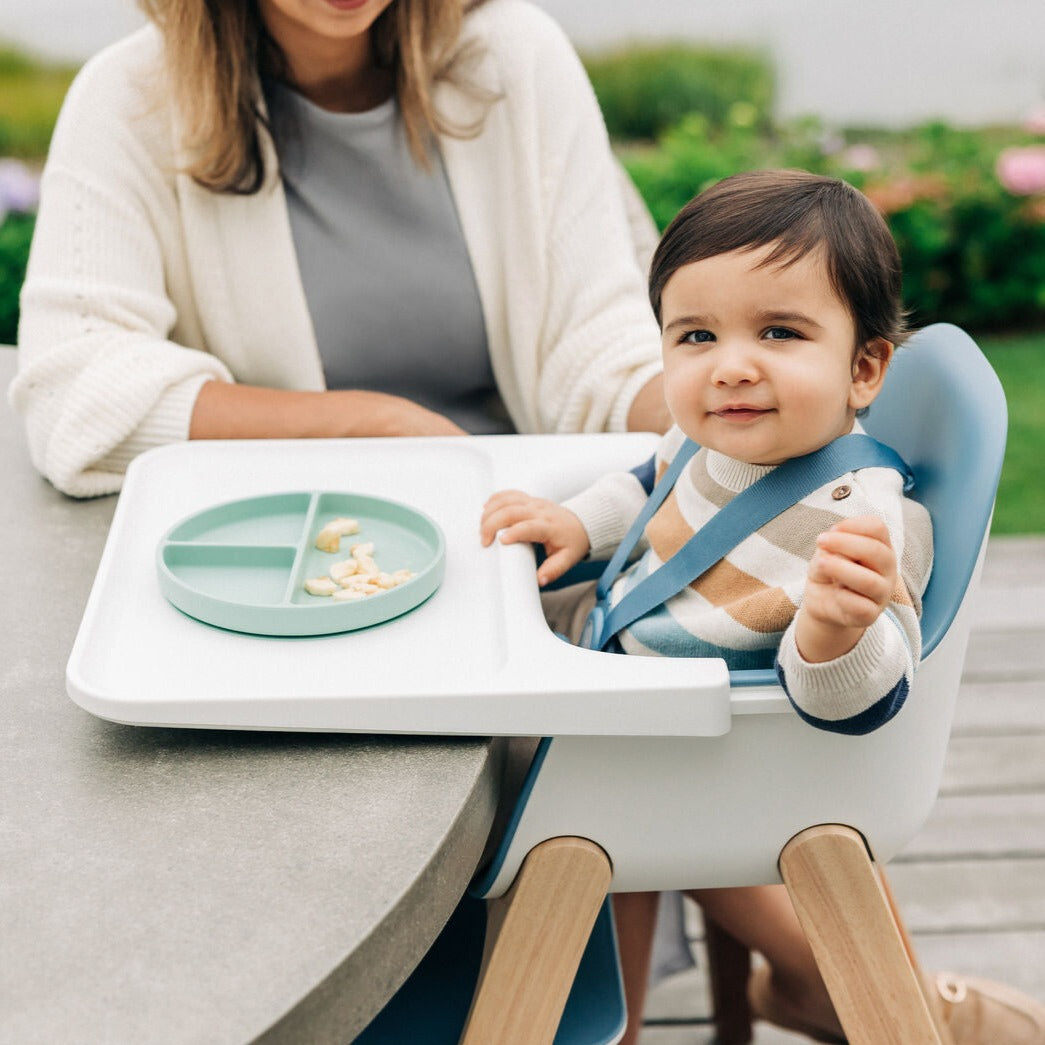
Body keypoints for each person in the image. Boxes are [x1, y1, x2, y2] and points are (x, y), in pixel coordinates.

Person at [481, 170, 1045, 1044]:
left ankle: (596, 1018)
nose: (730, 365)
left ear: (863, 368)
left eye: (778, 332)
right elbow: (649, 486)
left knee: (503, 799)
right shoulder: (706, 439)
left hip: (716, 767)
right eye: (695, 335)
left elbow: (866, 702)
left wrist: (832, 631)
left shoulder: (863, 525)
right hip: (630, 713)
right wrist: (574, 524)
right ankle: (616, 1018)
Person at [9, 0, 668, 498]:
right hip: (290, 560)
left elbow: (598, 347)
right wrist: (369, 425)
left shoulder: (515, 53)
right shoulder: (128, 97)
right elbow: (74, 389)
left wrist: (720, 412)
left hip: (519, 531)